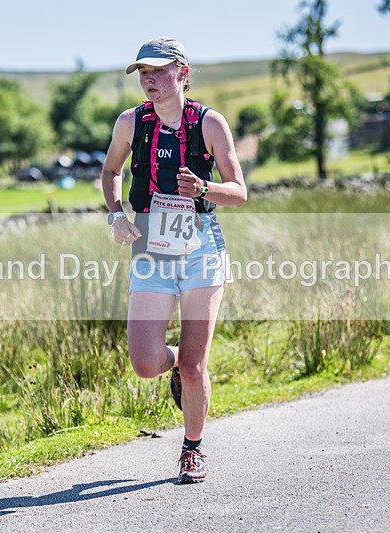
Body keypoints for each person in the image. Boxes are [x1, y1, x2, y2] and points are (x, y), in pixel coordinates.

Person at [101, 37, 247, 484]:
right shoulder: (130, 123)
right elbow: (110, 173)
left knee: (195, 360)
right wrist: (115, 216)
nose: (149, 79)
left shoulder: (209, 123)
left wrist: (203, 189)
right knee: (145, 362)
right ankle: (178, 370)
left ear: (183, 72)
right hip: (151, 249)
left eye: (158, 70)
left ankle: (192, 449)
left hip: (201, 246)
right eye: (142, 72)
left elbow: (239, 191)